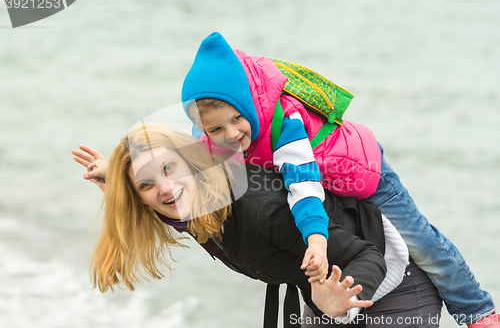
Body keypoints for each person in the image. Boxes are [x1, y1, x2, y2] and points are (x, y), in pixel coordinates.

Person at [180, 31, 498, 327]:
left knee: (422, 242)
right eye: (216, 129)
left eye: (237, 119)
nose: (231, 134)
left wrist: (317, 240)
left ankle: (478, 311)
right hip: (329, 186)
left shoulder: (286, 122)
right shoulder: (209, 136)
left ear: (248, 104)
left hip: (361, 172)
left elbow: (303, 187)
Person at [72, 123, 443, 327]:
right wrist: (118, 181)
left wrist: (338, 300)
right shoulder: (188, 205)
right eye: (146, 184)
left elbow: (366, 254)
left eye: (169, 168)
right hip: (323, 297)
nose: (165, 189)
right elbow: (160, 204)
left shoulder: (262, 210)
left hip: (395, 290)